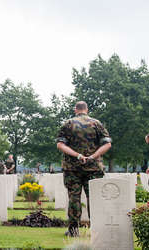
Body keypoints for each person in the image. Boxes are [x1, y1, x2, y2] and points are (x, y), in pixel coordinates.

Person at [56, 101, 112, 237]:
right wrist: (93, 156)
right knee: (94, 198)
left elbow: (60, 145)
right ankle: (97, 229)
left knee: (74, 198)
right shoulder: (96, 123)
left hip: (72, 168)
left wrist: (77, 155)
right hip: (93, 168)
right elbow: (107, 144)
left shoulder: (68, 124)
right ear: (86, 109)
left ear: (76, 109)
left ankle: (73, 230)